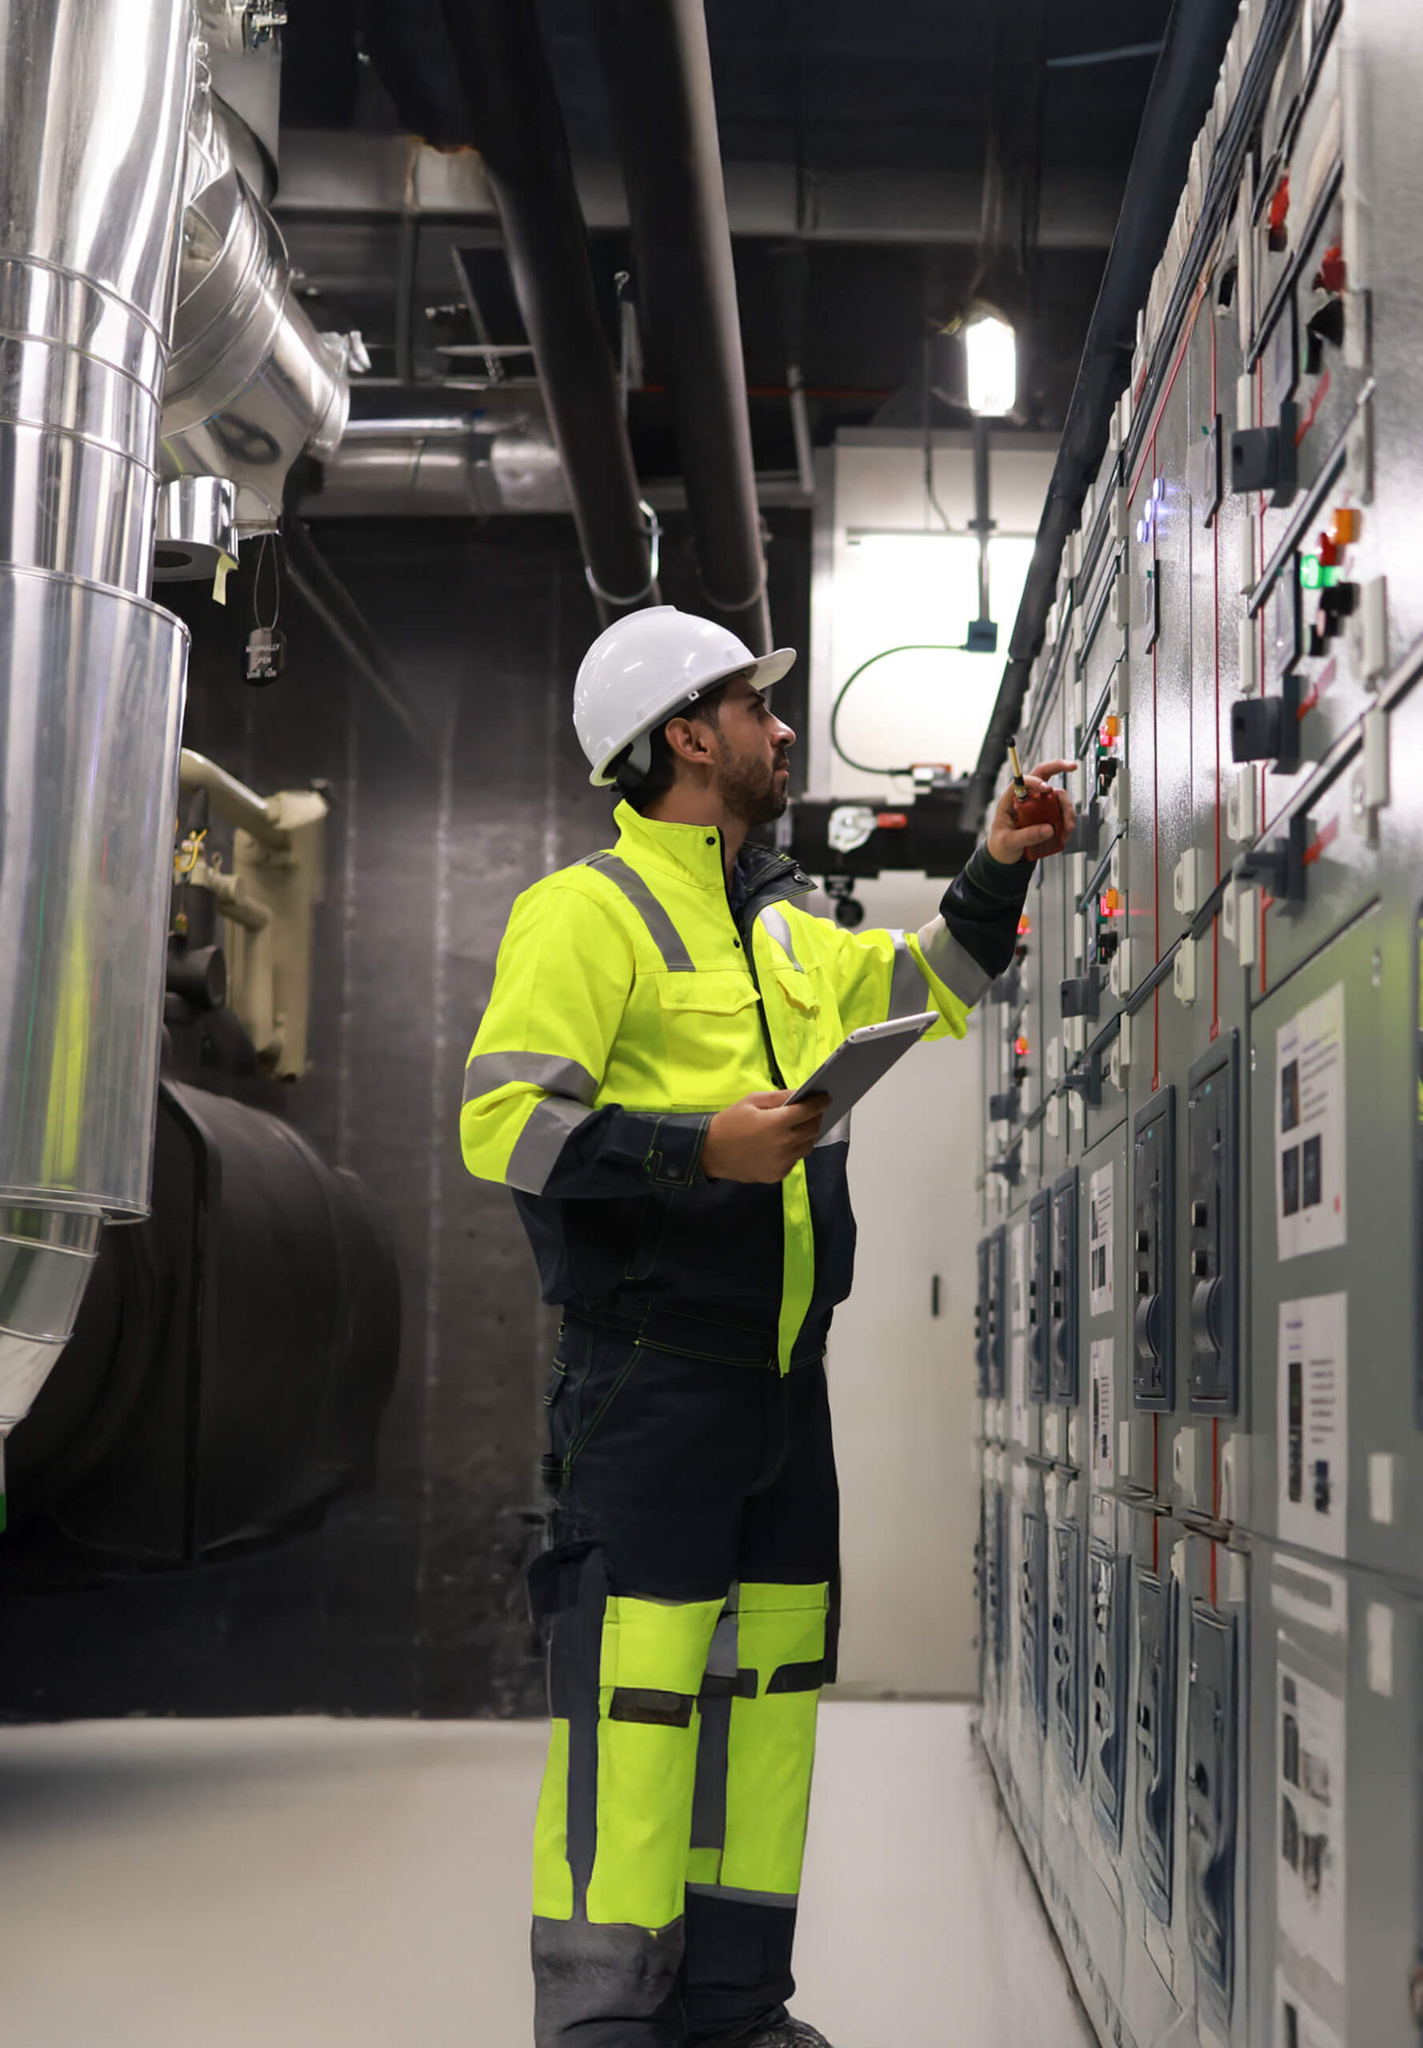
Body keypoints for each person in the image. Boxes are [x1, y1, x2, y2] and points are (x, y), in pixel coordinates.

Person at [460, 605, 1075, 2048]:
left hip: (782, 1390)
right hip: (649, 1385)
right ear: (687, 734)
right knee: (640, 1703)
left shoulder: (787, 925)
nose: (782, 729)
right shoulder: (585, 912)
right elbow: (504, 1126)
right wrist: (696, 1150)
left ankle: (735, 2009)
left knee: (775, 1698)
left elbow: (932, 988)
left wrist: (995, 867)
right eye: (757, 706)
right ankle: (605, 2021)